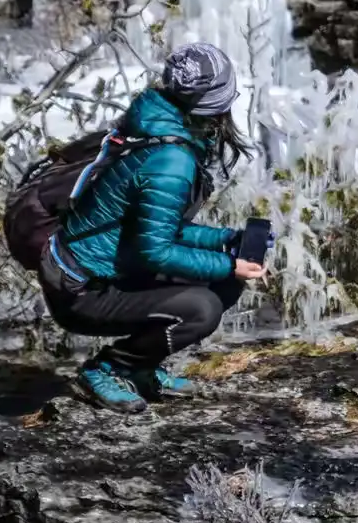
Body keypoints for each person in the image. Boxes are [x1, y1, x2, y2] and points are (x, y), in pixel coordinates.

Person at [39, 42, 268, 413]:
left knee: (225, 278)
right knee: (203, 307)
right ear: (214, 104)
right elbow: (156, 251)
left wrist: (228, 241)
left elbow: (161, 229)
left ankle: (140, 368)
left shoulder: (159, 130)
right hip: (81, 289)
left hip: (100, 272)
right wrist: (229, 263)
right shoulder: (171, 159)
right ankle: (108, 369)